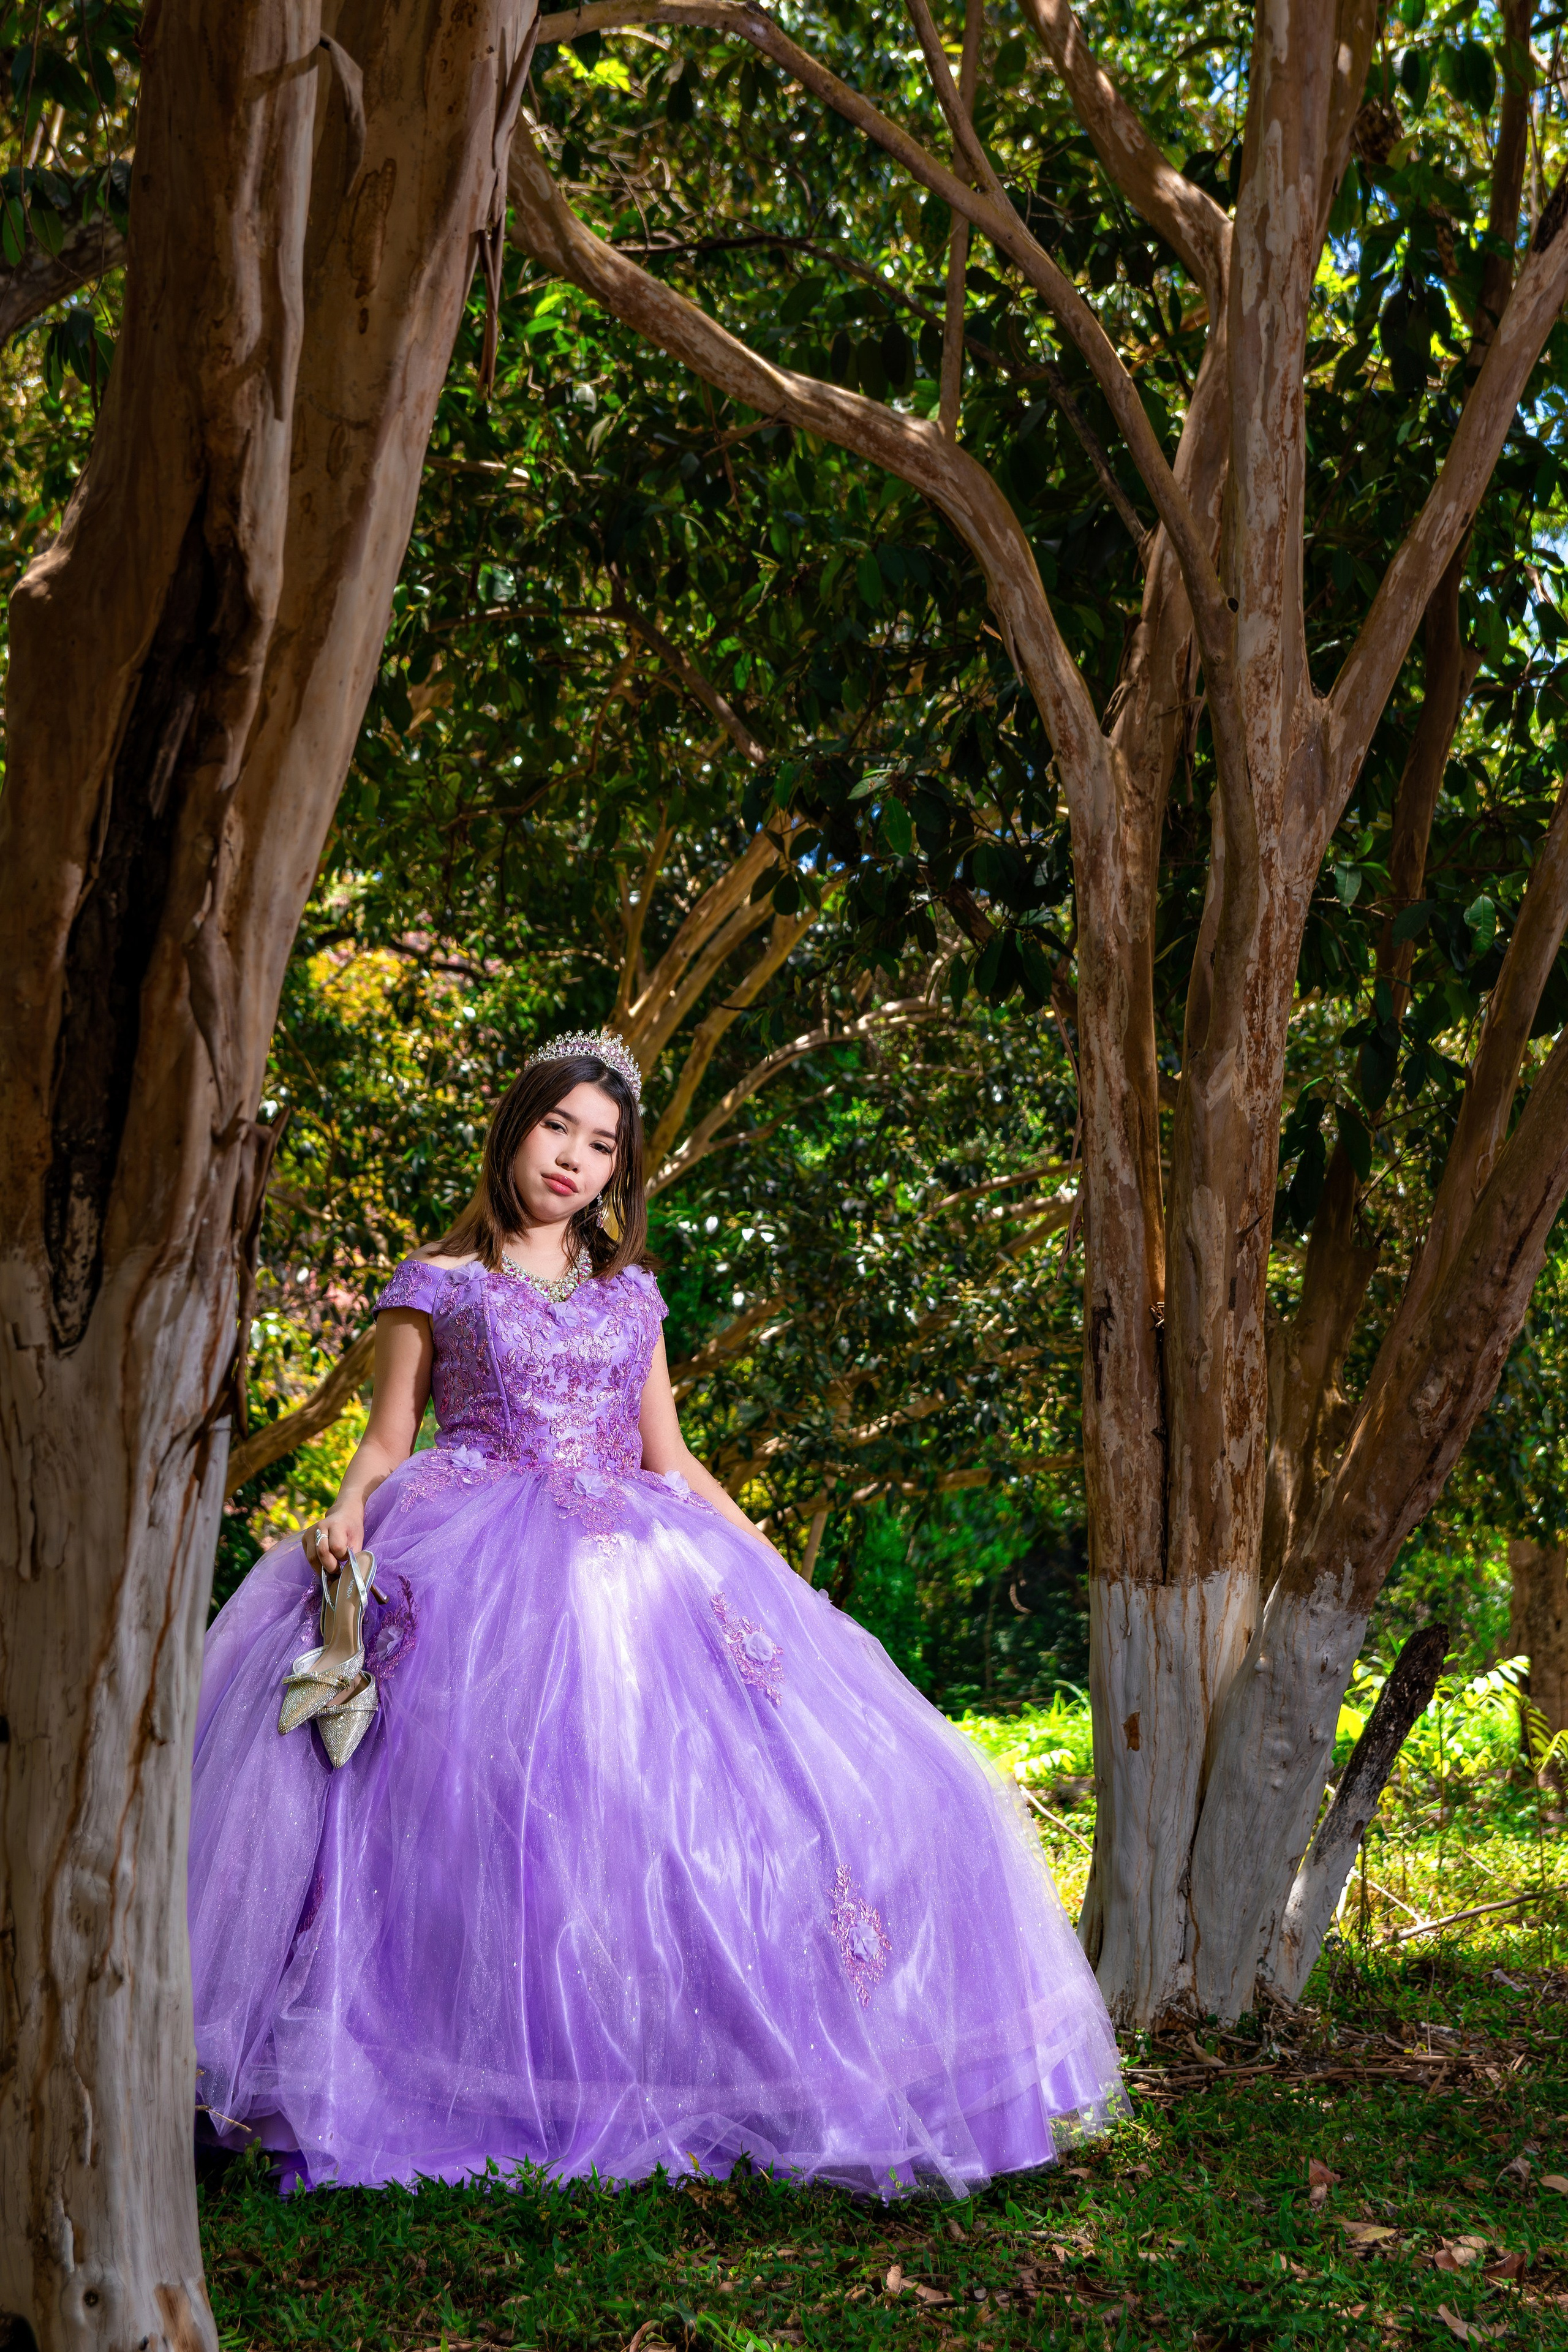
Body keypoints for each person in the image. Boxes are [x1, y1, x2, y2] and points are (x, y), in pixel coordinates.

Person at [189, 1028, 1124, 2195]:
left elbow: (669, 1456)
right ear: (515, 1127)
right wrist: (345, 1520)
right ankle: (457, 2075)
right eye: (556, 1128)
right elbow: (386, 1442)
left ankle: (718, 2074)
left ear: (620, 1171)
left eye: (602, 1144)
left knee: (776, 1797)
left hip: (640, 1558)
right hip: (476, 1547)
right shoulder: (437, 1286)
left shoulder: (632, 1298)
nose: (574, 1159)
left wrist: (767, 1565)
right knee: (499, 1811)